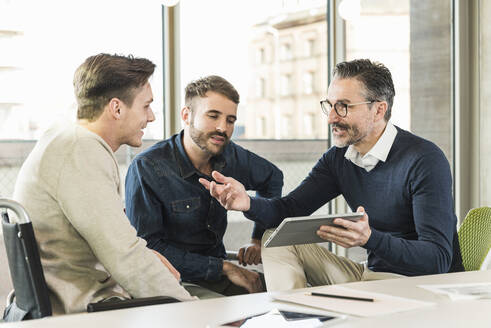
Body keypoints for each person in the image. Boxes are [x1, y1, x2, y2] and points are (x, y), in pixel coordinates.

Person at [199, 59, 464, 291]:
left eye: (344, 106)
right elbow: (289, 209)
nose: (331, 118)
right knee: (274, 238)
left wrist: (371, 239)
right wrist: (246, 202)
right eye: (330, 105)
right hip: (368, 277)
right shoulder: (339, 158)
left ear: (379, 109)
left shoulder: (424, 159)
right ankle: (294, 314)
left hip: (419, 286)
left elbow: (437, 258)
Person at [13, 54, 195, 315]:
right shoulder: (81, 151)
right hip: (86, 311)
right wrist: (196, 312)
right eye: (146, 106)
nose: (152, 117)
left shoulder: (63, 137)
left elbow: (114, 243)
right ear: (117, 108)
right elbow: (126, 256)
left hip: (74, 302)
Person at [125, 75, 283, 298]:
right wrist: (224, 267)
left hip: (219, 277)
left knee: (285, 295)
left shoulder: (231, 155)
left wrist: (259, 239)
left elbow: (273, 178)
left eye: (230, 120)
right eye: (213, 116)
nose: (223, 128)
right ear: (186, 115)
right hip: (169, 281)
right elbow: (149, 248)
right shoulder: (147, 167)